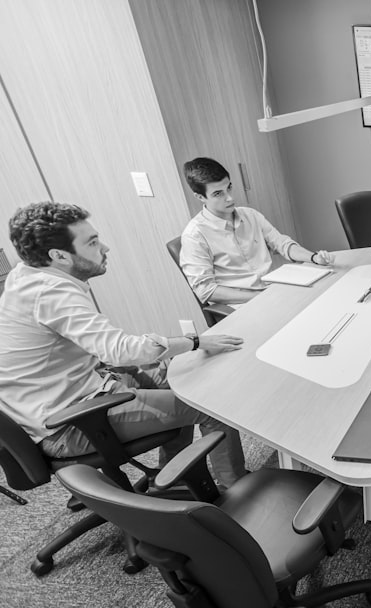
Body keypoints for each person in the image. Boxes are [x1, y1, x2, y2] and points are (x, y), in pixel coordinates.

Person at [0, 202, 247, 485]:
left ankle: (174, 480)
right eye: (92, 242)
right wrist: (195, 341)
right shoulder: (51, 292)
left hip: (79, 391)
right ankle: (238, 490)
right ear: (58, 256)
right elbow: (120, 350)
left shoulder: (25, 275)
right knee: (212, 407)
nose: (105, 248)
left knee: (182, 377)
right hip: (70, 424)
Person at [179, 157, 334, 305]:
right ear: (200, 197)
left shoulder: (250, 215)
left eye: (229, 188)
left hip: (273, 291)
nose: (229, 198)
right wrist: (261, 298)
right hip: (242, 304)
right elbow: (206, 290)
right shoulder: (194, 236)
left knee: (325, 298)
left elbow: (281, 244)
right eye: (218, 194)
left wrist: (314, 258)